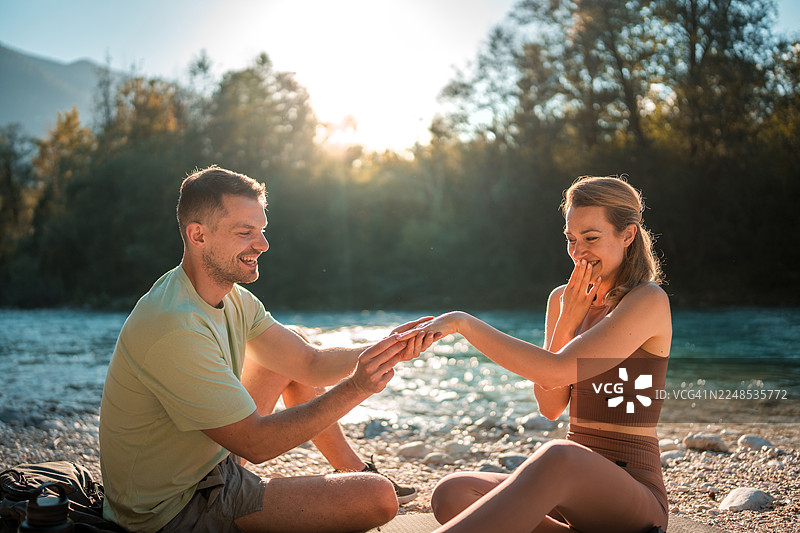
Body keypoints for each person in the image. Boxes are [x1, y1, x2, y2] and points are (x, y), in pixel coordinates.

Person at [99, 165, 435, 533]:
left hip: (210, 465)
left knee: (284, 355)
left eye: (261, 231)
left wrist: (390, 347)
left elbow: (309, 362)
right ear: (198, 236)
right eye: (246, 233)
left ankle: (352, 469)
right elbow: (256, 444)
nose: (262, 245)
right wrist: (356, 388)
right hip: (173, 509)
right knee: (378, 498)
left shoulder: (234, 299)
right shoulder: (174, 326)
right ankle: (353, 483)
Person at [406, 176, 671, 533]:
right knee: (452, 493)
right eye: (571, 240)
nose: (578, 252)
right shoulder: (561, 300)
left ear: (627, 235)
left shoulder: (647, 300)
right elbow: (550, 406)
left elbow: (556, 370)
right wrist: (567, 321)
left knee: (559, 455)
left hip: (633, 495)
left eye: (591, 238)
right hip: (571, 491)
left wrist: (464, 325)